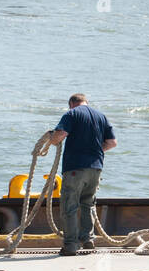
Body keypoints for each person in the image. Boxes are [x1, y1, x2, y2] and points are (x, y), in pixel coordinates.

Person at [47, 93, 116, 256]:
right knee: (88, 204)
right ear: (86, 102)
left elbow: (60, 134)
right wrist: (96, 151)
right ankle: (88, 240)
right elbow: (112, 143)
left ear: (71, 103)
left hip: (75, 167)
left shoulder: (72, 114)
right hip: (96, 168)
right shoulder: (101, 116)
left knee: (69, 205)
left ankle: (71, 245)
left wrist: (52, 139)